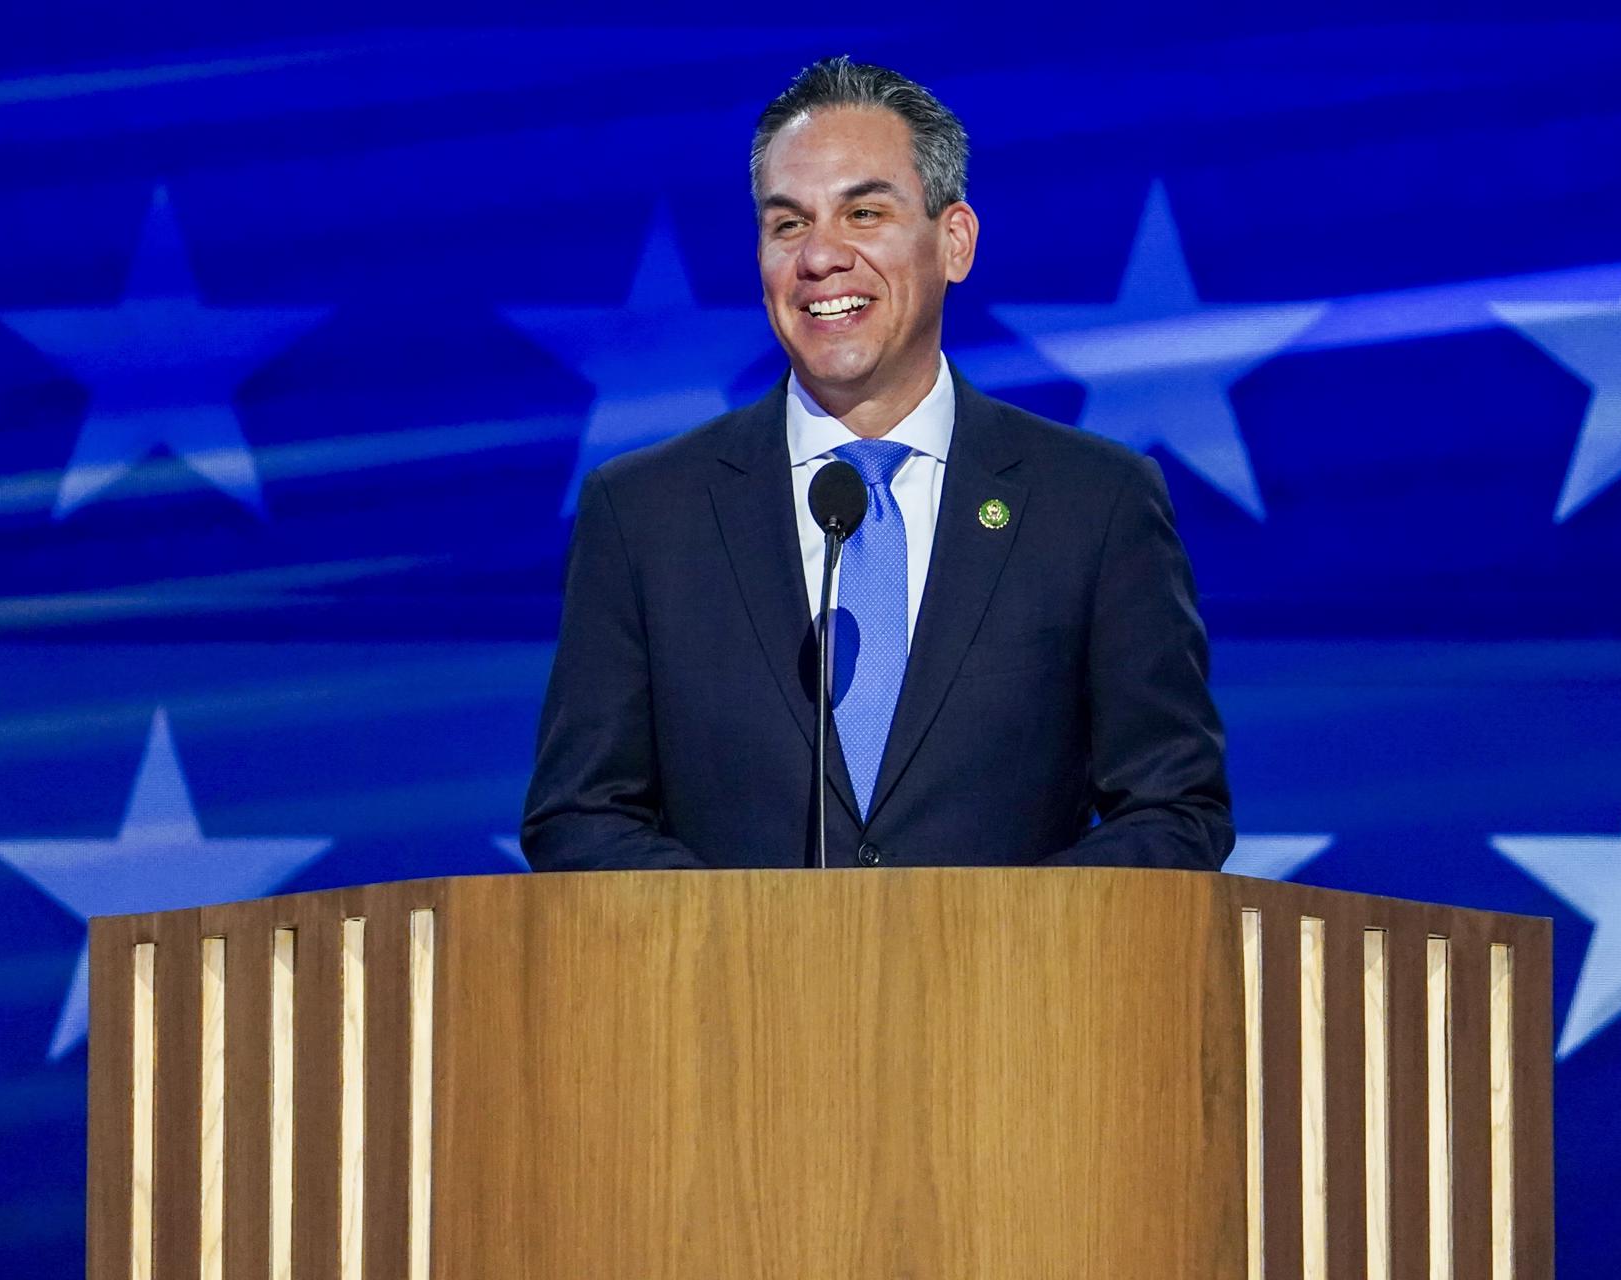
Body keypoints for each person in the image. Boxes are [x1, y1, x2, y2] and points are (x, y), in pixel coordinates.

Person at [522, 56, 1233, 871]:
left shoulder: (1093, 504)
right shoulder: (646, 515)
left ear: (954, 241)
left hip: (1011, 993)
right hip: (730, 994)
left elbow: (1176, 809)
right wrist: (744, 946)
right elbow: (579, 816)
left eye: (864, 213)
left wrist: (995, 944)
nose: (821, 257)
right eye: (788, 224)